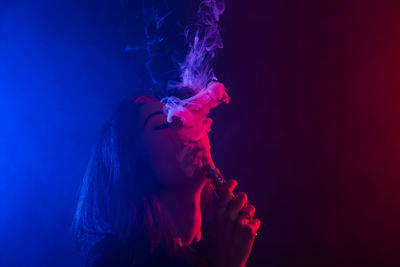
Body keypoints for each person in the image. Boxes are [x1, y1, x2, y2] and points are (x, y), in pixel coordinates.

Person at [73, 92, 261, 266]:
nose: (185, 126)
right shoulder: (119, 261)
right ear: (135, 164)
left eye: (183, 118)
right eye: (164, 124)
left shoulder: (216, 251)